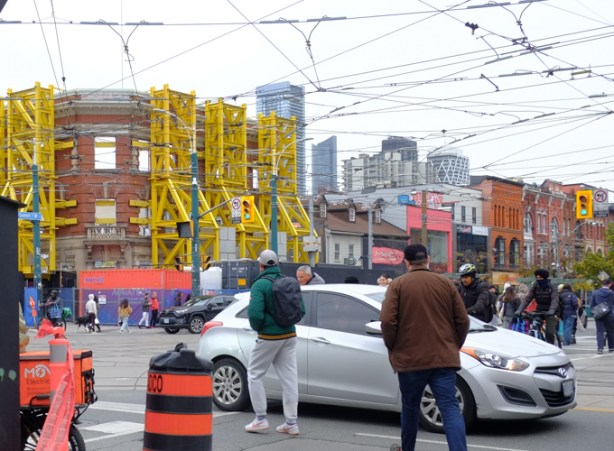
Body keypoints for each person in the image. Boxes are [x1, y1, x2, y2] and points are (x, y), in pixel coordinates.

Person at [381, 244, 470, 451]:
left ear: (407, 262)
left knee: (410, 408)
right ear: (428, 259)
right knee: (449, 408)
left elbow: (387, 322)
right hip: (443, 357)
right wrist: (454, 344)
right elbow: (463, 320)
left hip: (410, 358)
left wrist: (393, 346)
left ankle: (408, 448)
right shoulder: (446, 284)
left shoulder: (398, 285)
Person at [244, 249, 305, 436]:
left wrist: (261, 327)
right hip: (289, 334)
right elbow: (300, 308)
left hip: (269, 336)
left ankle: (260, 419)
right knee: (289, 378)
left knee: (254, 374)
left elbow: (254, 314)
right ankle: (291, 422)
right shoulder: (287, 281)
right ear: (277, 264)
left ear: (261, 265)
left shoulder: (260, 284)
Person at [515, 269, 560, 345]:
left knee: (549, 332)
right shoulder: (535, 286)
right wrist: (520, 309)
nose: (538, 279)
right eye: (537, 278)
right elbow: (527, 299)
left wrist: (552, 310)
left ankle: (551, 345)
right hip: (539, 309)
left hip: (550, 310)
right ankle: (536, 337)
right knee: (533, 325)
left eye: (540, 278)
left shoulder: (552, 287)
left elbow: (554, 300)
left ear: (545, 278)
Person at [589, 278, 614, 354]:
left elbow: (592, 304)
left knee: (599, 331)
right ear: (609, 284)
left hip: (599, 314)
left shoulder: (595, 293)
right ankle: (611, 347)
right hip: (609, 314)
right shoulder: (611, 293)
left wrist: (593, 312)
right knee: (611, 331)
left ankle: (600, 348)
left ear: (602, 284)